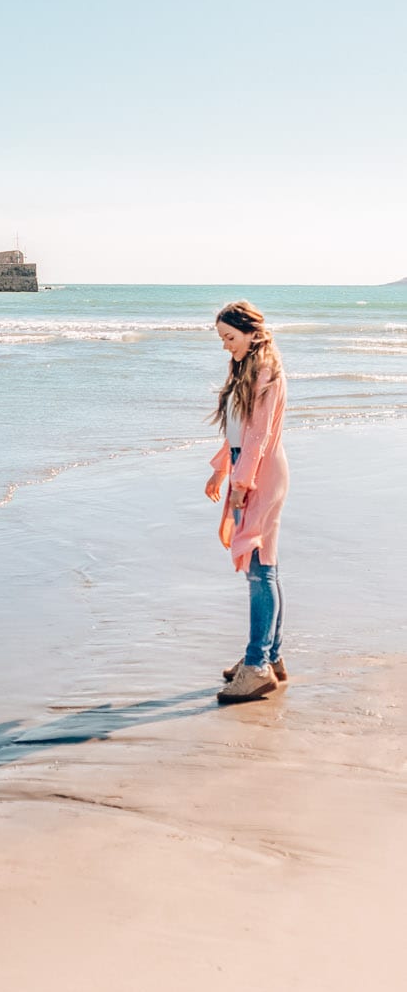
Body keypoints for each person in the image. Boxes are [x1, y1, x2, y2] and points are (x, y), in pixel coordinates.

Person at [204, 301, 289, 703]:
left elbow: (257, 438)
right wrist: (223, 468)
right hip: (250, 467)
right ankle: (269, 657)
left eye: (229, 338)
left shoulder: (266, 371)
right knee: (265, 567)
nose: (225, 346)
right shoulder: (246, 368)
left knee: (259, 569)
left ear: (253, 334)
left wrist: (241, 482)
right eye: (221, 339)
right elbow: (238, 432)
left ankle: (257, 667)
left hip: (261, 472)